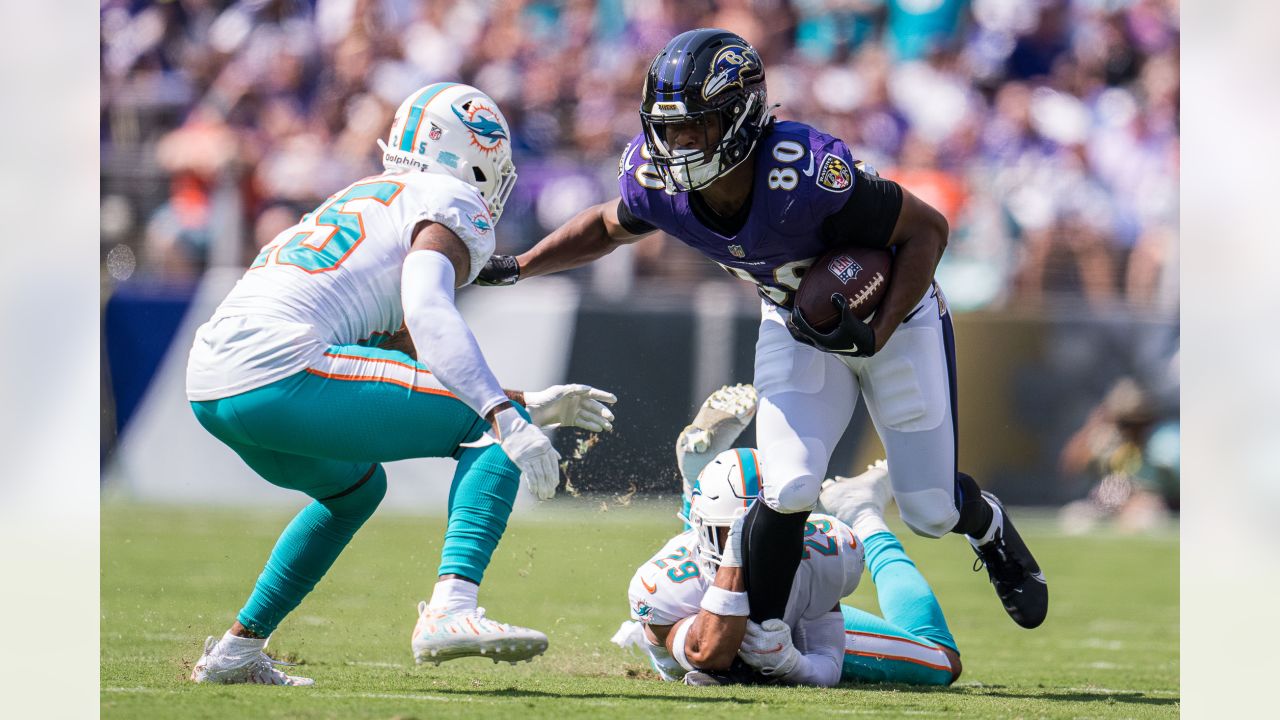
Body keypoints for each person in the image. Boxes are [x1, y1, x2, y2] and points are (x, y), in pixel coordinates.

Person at [478, 29, 1046, 631]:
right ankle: (766, 635)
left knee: (929, 509)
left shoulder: (802, 172)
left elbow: (927, 229)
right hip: (795, 323)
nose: (679, 144)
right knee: (791, 483)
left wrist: (875, 331)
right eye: (668, 128)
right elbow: (606, 225)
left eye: (696, 126)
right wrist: (521, 264)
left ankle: (986, 524)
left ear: (742, 116)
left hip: (896, 320)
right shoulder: (660, 184)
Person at [184, 82, 617, 685]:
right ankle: (451, 610)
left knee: (355, 493)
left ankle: (235, 652)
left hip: (212, 379)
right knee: (487, 432)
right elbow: (429, 314)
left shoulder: (368, 194)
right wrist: (501, 412)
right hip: (277, 364)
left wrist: (523, 402)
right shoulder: (448, 199)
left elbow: (397, 361)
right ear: (472, 152)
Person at [614, 386, 961, 686]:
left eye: (760, 531)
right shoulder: (665, 583)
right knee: (722, 556)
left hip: (794, 627)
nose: (756, 546)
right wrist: (737, 545)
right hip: (707, 607)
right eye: (739, 534)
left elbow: (827, 655)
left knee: (943, 661)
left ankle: (863, 511)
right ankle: (699, 491)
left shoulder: (826, 549)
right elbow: (705, 653)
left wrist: (795, 665)